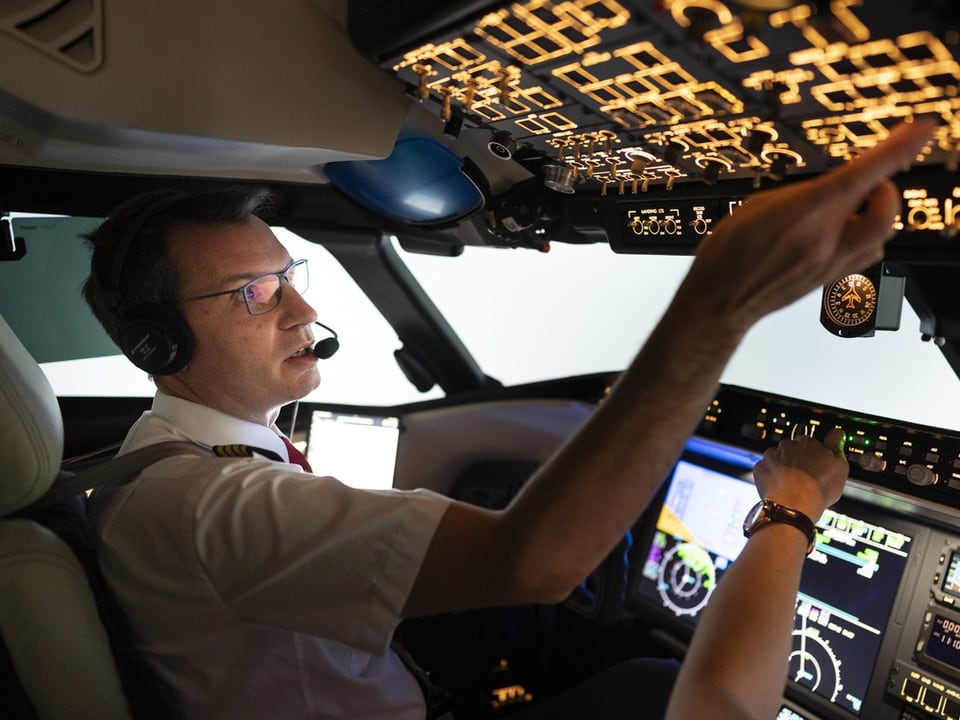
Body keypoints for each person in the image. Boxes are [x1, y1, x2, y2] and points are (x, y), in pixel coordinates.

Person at [80, 117, 935, 720]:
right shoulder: (210, 505)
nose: (302, 310)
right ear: (158, 345)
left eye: (291, 273)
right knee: (651, 689)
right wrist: (781, 489)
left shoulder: (168, 466)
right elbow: (537, 560)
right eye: (256, 294)